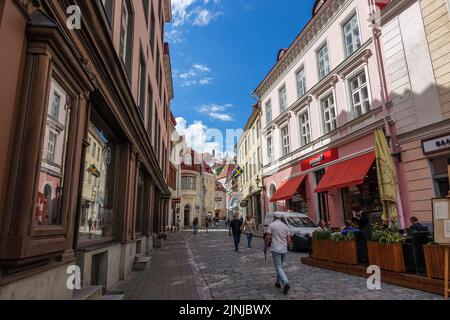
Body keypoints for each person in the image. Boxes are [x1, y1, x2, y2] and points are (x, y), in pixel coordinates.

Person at [264, 212, 292, 295]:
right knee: (280, 266)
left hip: (276, 249)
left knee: (278, 266)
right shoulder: (285, 226)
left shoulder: (272, 225)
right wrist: (285, 245)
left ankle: (286, 282)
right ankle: (278, 282)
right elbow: (289, 240)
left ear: (274, 217)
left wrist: (265, 247)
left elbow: (268, 238)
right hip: (283, 249)